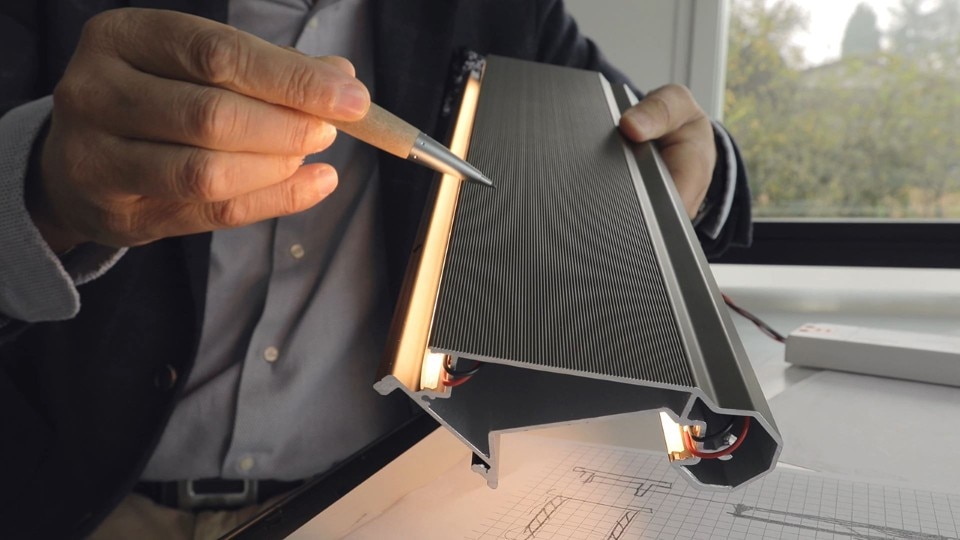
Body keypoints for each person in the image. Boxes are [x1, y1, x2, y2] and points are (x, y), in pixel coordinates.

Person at [0, 1, 751, 538]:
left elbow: (646, 137)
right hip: (79, 501)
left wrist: (700, 163)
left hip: (377, 504)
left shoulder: (505, 12)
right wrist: (43, 189)